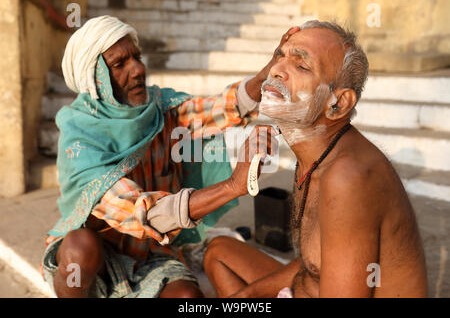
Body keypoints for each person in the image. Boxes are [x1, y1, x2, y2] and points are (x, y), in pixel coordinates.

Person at [41, 15, 295, 298]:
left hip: (151, 253)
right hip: (100, 255)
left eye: (136, 57)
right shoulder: (80, 141)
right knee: (79, 249)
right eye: (119, 64)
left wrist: (264, 77)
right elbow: (144, 213)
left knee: (188, 298)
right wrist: (233, 185)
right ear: (94, 78)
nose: (138, 69)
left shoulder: (159, 108)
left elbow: (217, 108)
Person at [203, 20, 428, 298]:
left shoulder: (348, 178)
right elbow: (315, 263)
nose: (276, 71)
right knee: (218, 253)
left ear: (338, 104)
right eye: (280, 56)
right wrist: (246, 297)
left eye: (301, 66)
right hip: (310, 286)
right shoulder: (315, 151)